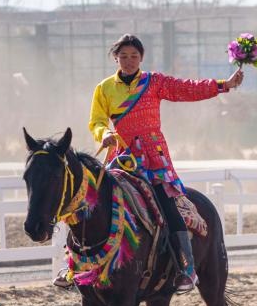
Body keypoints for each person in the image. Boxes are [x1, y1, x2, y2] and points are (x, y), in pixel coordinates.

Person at [55, 34, 244, 291]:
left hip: (154, 159)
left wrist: (224, 85)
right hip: (121, 158)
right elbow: (96, 121)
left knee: (167, 205)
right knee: (89, 202)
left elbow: (187, 88)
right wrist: (105, 134)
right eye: (124, 56)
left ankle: (185, 266)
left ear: (141, 58)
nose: (129, 61)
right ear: (115, 59)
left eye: (134, 56)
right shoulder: (104, 88)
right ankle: (74, 266)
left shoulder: (154, 82)